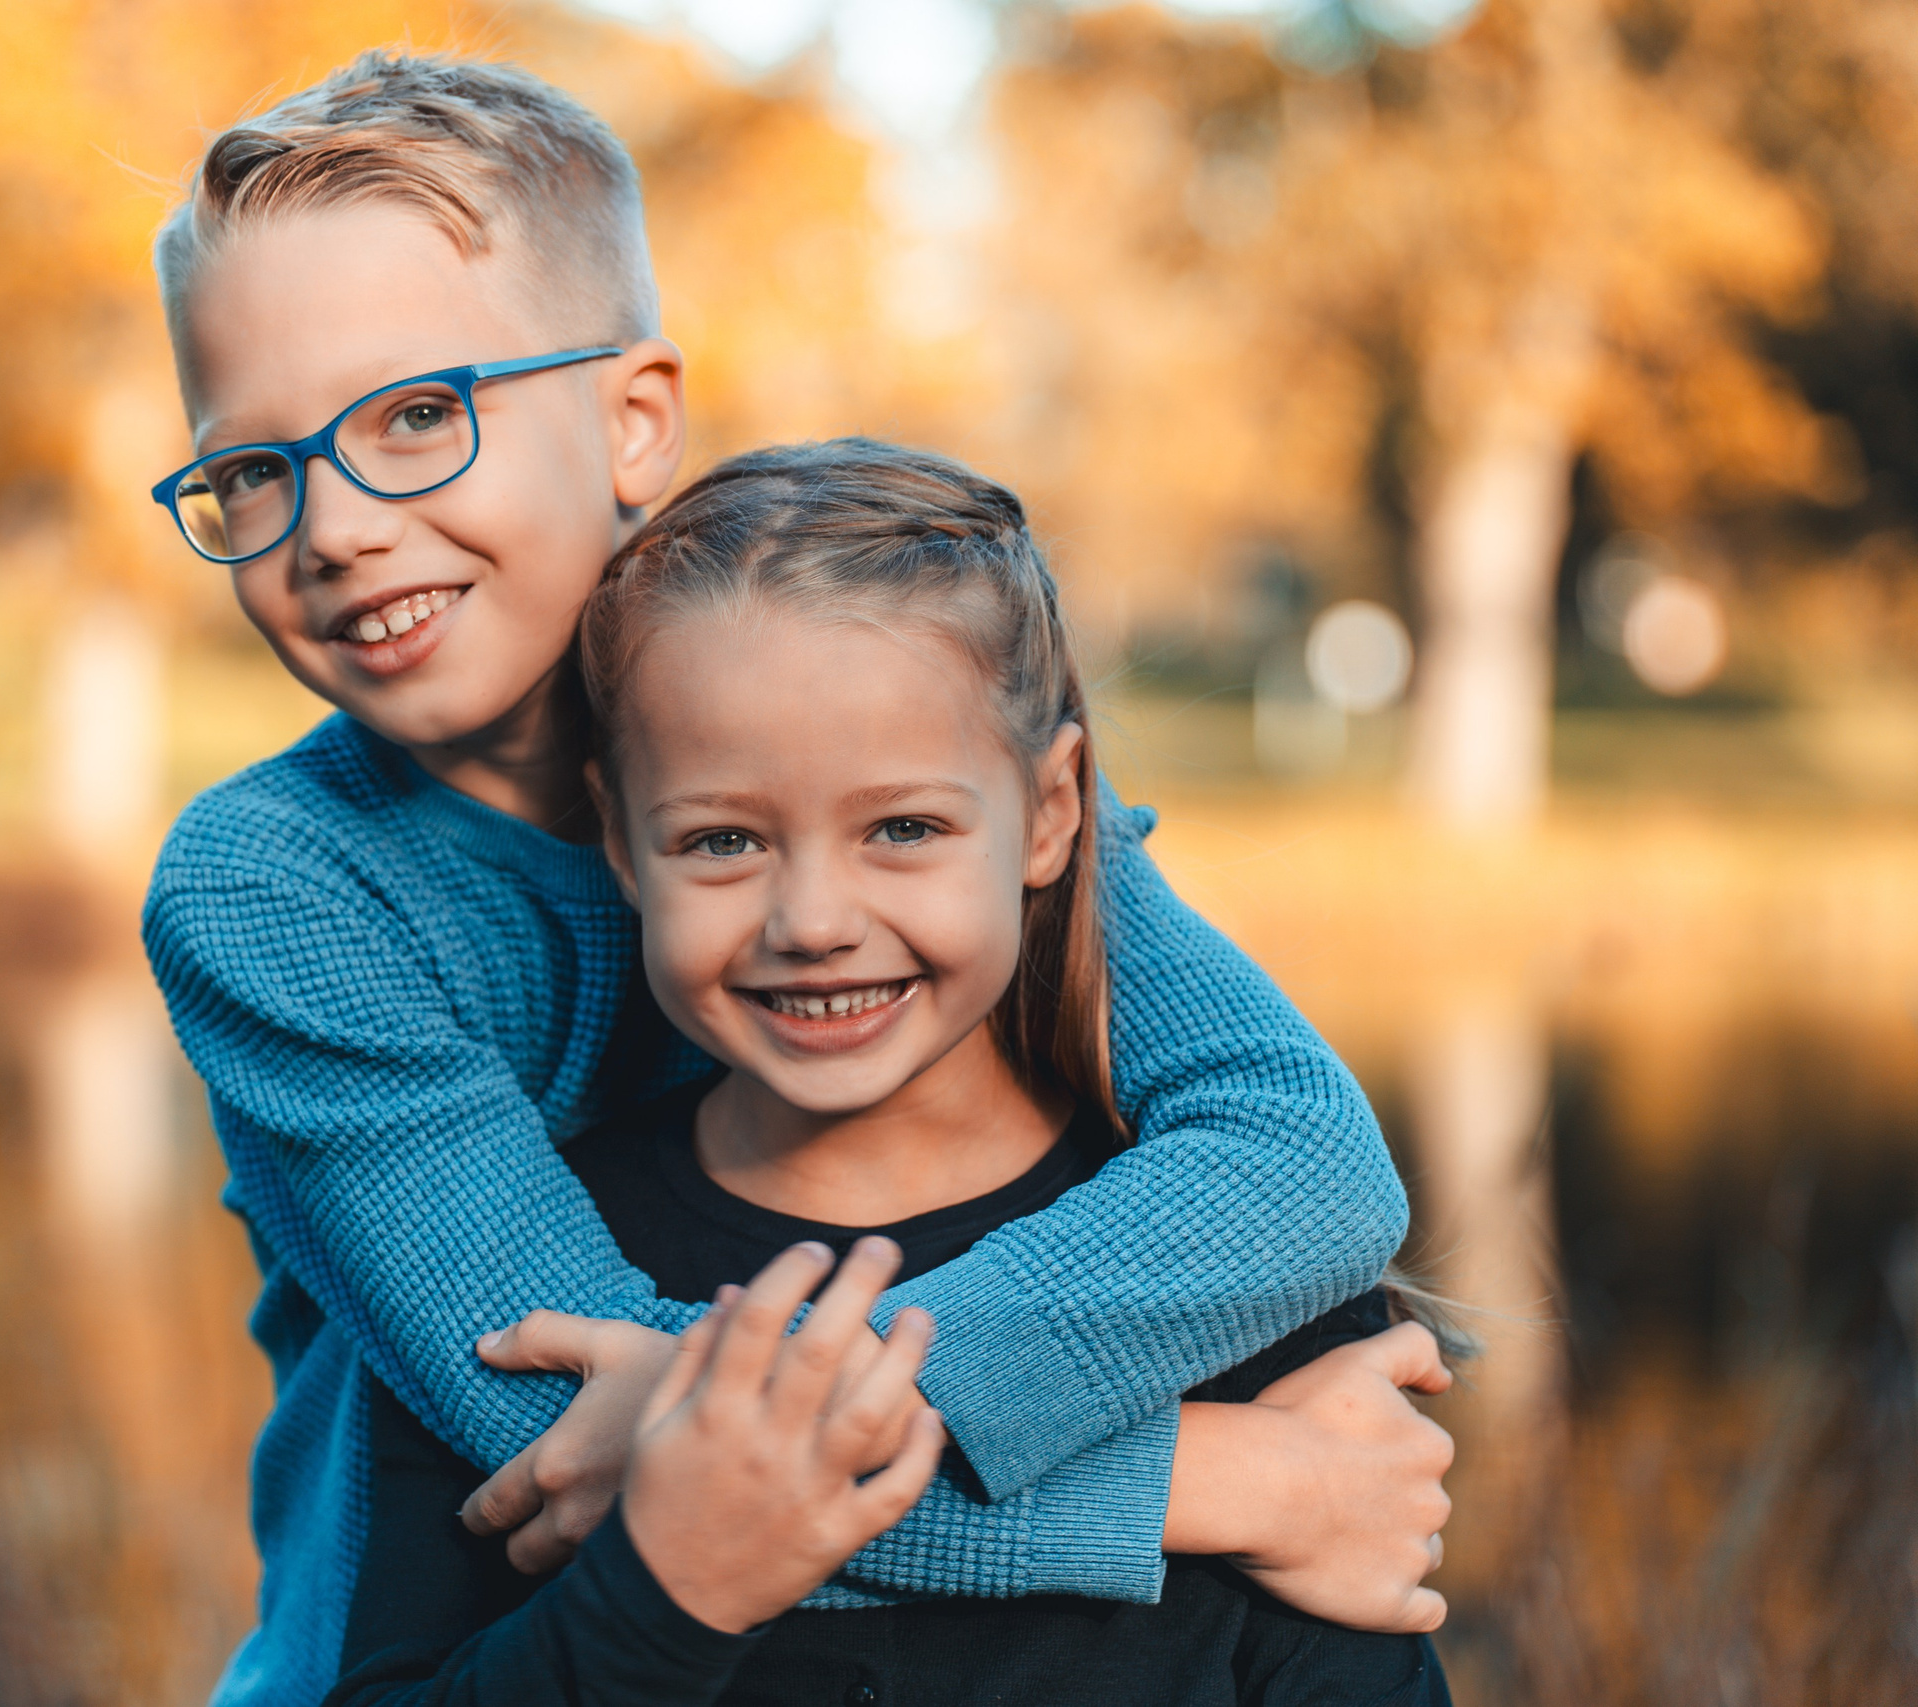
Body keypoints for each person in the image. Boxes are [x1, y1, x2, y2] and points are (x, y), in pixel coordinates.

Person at [140, 52, 1441, 1707]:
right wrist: (1225, 1487)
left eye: (416, 416)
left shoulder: (866, 699)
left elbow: (1301, 1160)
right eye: (253, 470)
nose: (328, 528)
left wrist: (854, 1404)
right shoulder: (280, 894)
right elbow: (585, 1446)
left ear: (635, 419)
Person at [326, 440, 1458, 1705]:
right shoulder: (538, 1284)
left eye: (903, 828)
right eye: (720, 839)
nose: (812, 918)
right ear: (621, 845)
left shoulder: (1236, 1293)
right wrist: (665, 1588)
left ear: (1049, 813)